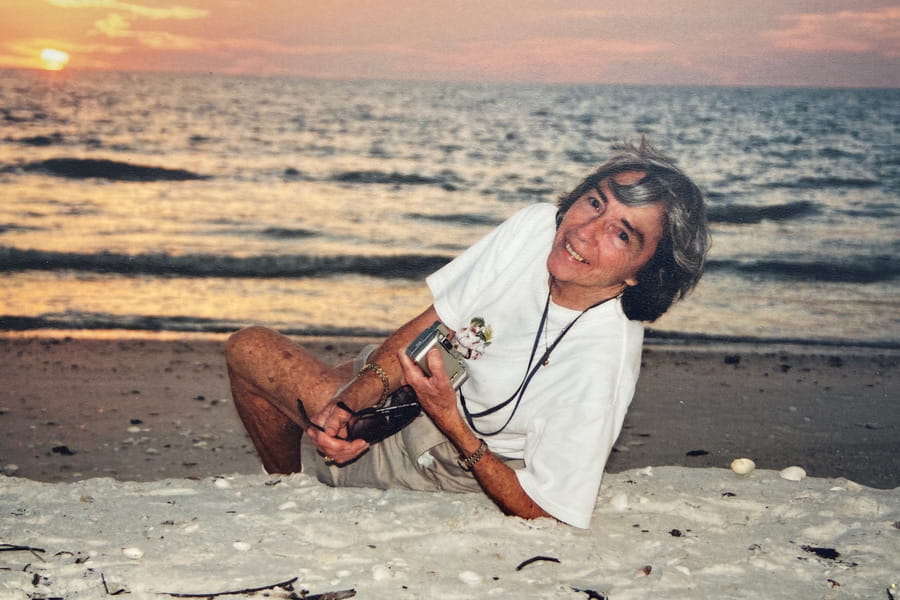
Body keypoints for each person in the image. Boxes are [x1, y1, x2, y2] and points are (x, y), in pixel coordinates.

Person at [225, 140, 710, 528]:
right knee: (328, 395)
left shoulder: (600, 363)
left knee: (251, 351)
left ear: (643, 276)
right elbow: (436, 323)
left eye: (622, 234)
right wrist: (352, 404)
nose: (583, 230)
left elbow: (547, 512)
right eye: (594, 202)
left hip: (450, 448)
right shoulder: (536, 226)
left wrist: (448, 420)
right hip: (437, 378)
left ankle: (293, 487)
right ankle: (303, 471)